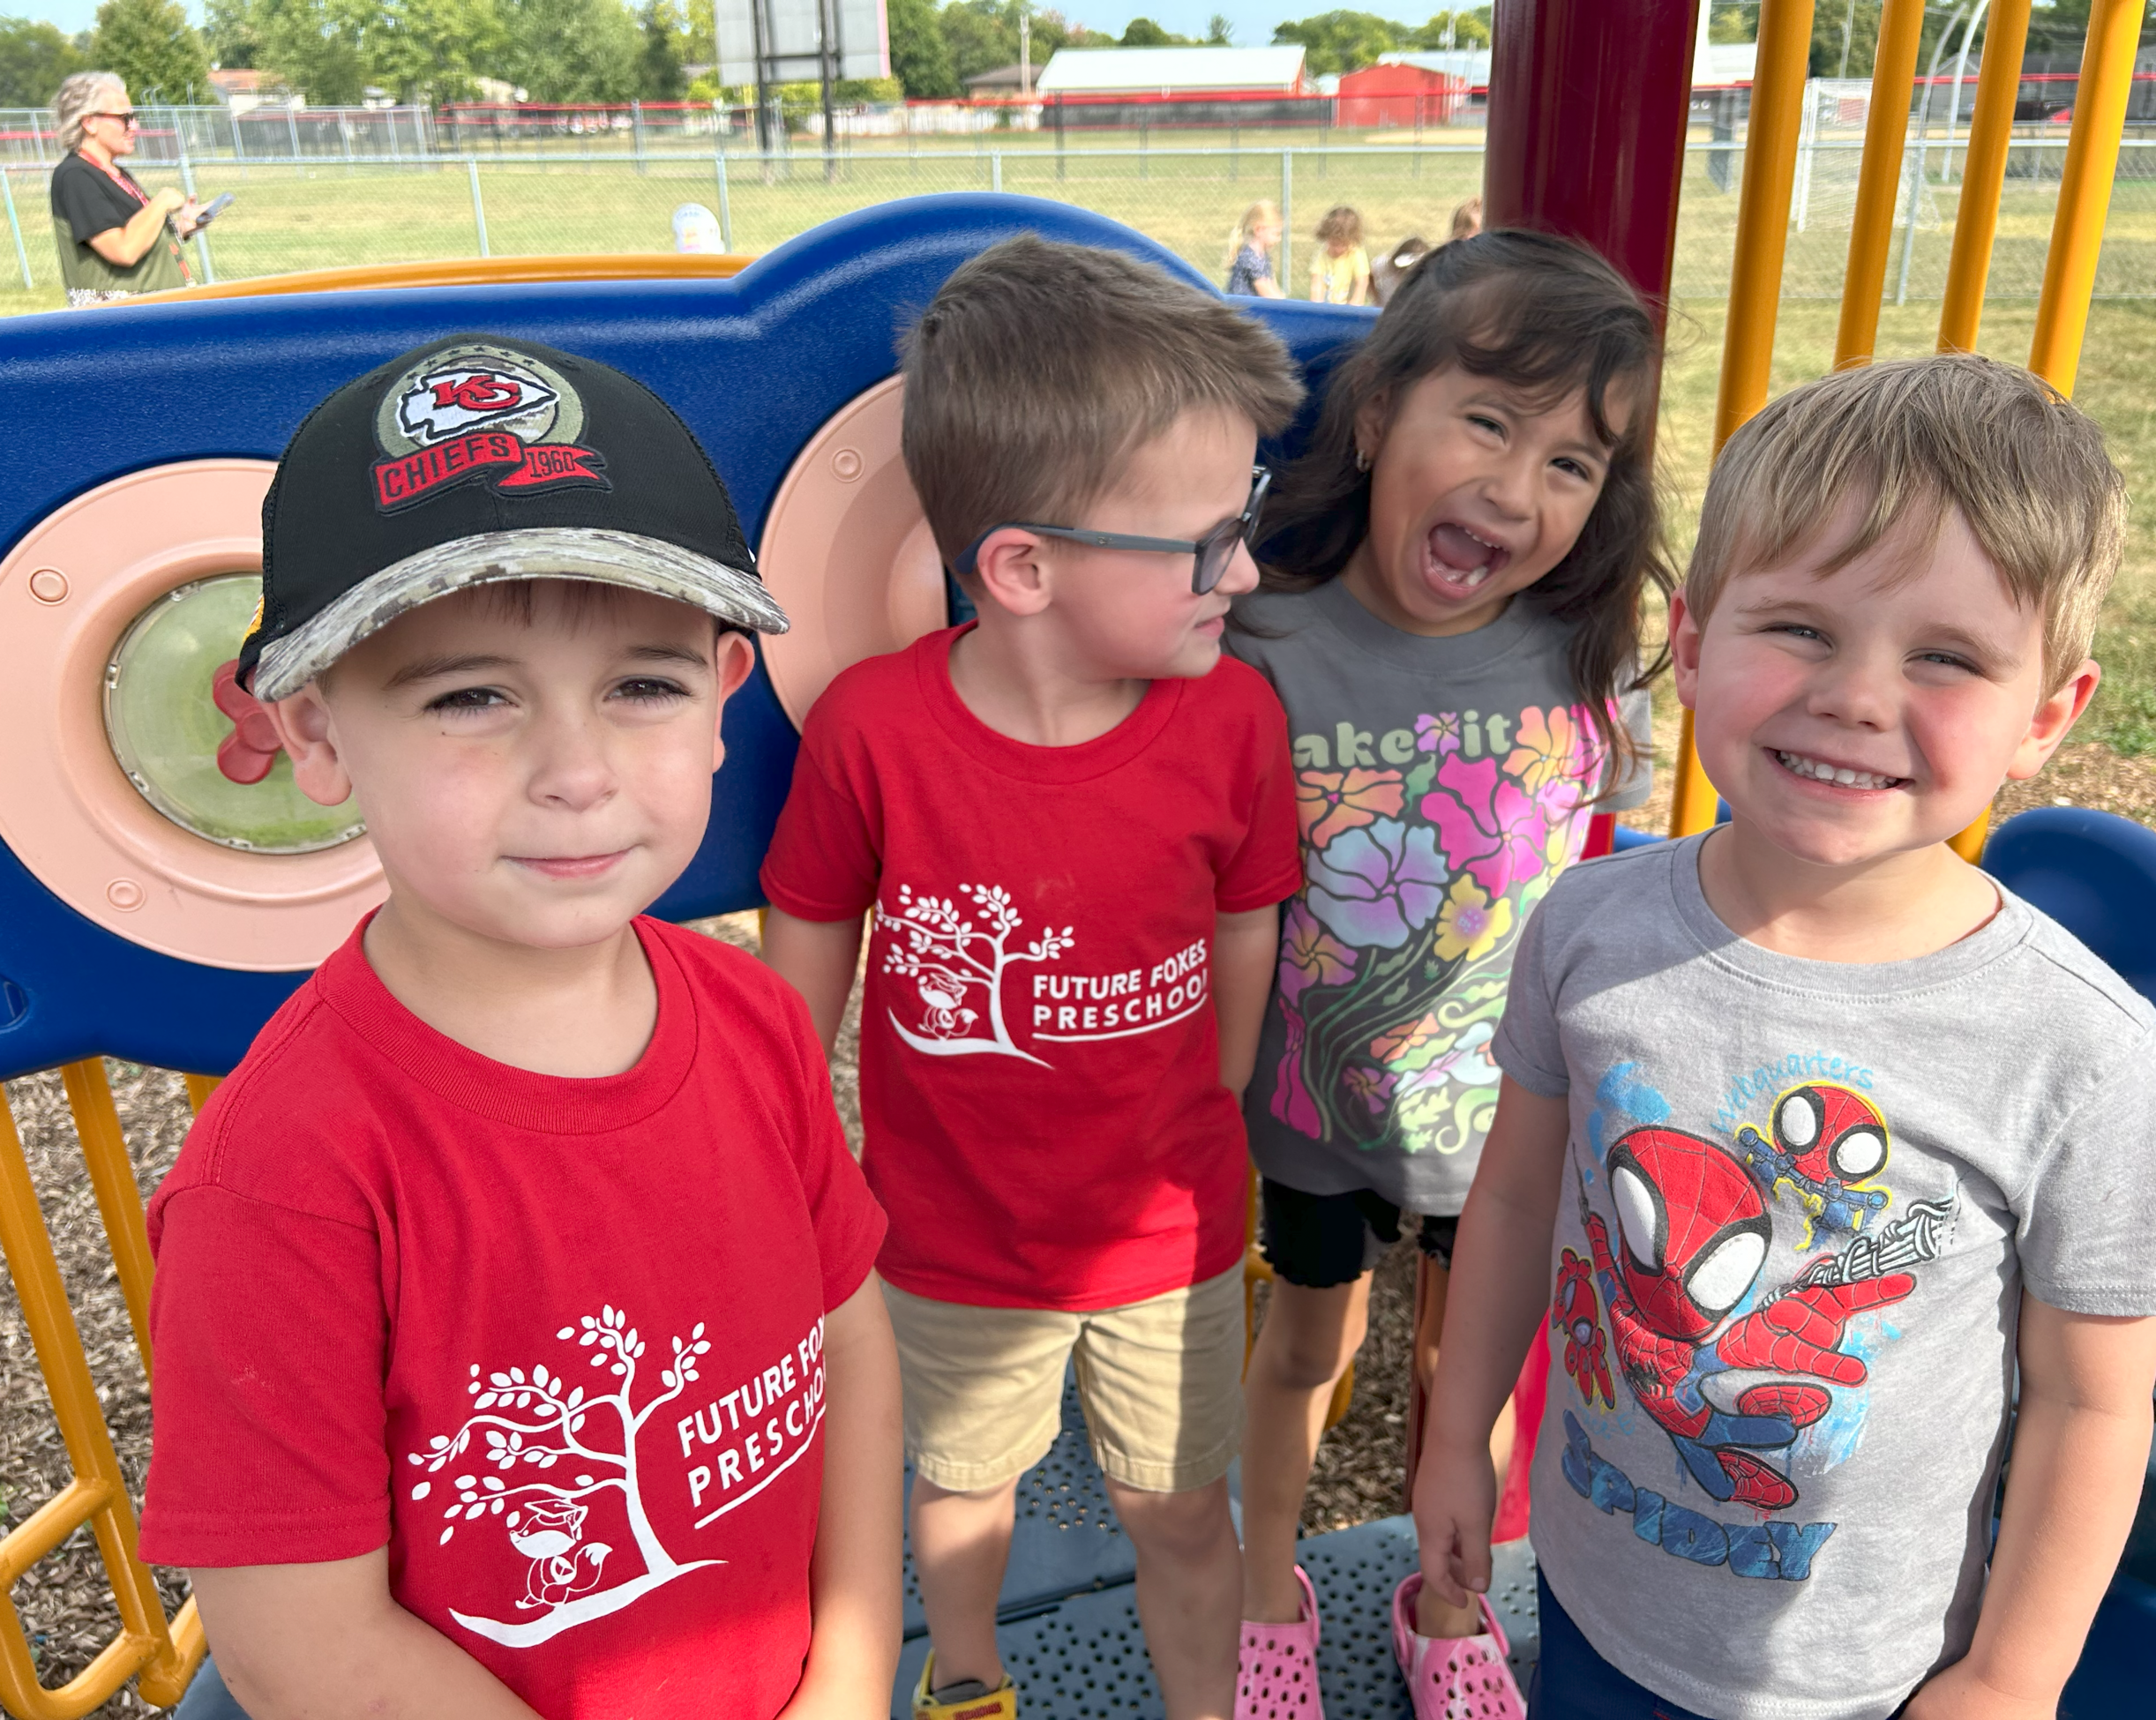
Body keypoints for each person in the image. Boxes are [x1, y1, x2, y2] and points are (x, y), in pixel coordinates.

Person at [1414, 354, 2156, 1720]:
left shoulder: (2074, 1044)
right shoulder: (1593, 927)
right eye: (1799, 626)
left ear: (2047, 716)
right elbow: (1511, 1194)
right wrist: (1456, 1437)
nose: (1854, 694)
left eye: (1947, 656)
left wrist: (2014, 1676)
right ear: (1698, 627)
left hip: (1864, 1675)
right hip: (1593, 1599)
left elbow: (2092, 1404)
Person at [138, 336, 903, 1720]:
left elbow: (847, 1343)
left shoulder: (754, 1019)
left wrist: (851, 1674)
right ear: (313, 734)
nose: (575, 771)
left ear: (727, 693)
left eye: (644, 684)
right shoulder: (286, 1179)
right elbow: (303, 1646)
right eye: (470, 695)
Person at [759, 235, 1304, 1720]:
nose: (1244, 571)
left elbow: (1248, 911)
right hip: (948, 1232)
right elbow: (814, 919)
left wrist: (1224, 1078)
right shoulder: (875, 732)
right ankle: (976, 1681)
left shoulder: (1233, 717)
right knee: (961, 1487)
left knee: (1184, 1508)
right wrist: (786, 1118)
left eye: (1243, 521)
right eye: (1209, 541)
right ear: (1022, 567)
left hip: (1171, 1231)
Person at [1227, 229, 1666, 1720]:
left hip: (1504, 1132)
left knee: (1461, 1378)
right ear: (1373, 418)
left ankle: (1450, 1603)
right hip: (1310, 1113)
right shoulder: (1260, 648)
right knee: (1303, 1344)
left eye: (1573, 464)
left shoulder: (1577, 656)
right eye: (1487, 421)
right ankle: (1263, 1583)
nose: (1519, 487)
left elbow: (1612, 876)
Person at [49, 70, 200, 305]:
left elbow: (140, 237)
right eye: (124, 118)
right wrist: (161, 203)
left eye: (134, 116)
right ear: (89, 122)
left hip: (156, 316)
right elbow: (123, 250)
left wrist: (182, 228)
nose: (134, 126)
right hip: (122, 326)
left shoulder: (114, 173)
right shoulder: (76, 176)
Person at [1306, 206, 1371, 306]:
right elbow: (1317, 284)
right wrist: (1317, 309)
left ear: (1352, 240)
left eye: (1344, 245)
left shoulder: (1356, 254)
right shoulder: (1323, 255)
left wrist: (1352, 309)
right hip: (1327, 310)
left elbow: (1361, 284)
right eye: (1333, 244)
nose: (1338, 249)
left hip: (1349, 311)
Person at [1226, 198, 1285, 298]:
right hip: (1241, 309)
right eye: (1276, 234)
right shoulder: (1249, 257)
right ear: (1259, 230)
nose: (1279, 239)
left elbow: (1271, 285)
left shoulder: (1263, 256)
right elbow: (1265, 291)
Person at [1368, 235, 1429, 307]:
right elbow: (1370, 276)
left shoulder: (1427, 274)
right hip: (1383, 309)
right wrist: (1376, 297)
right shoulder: (1384, 264)